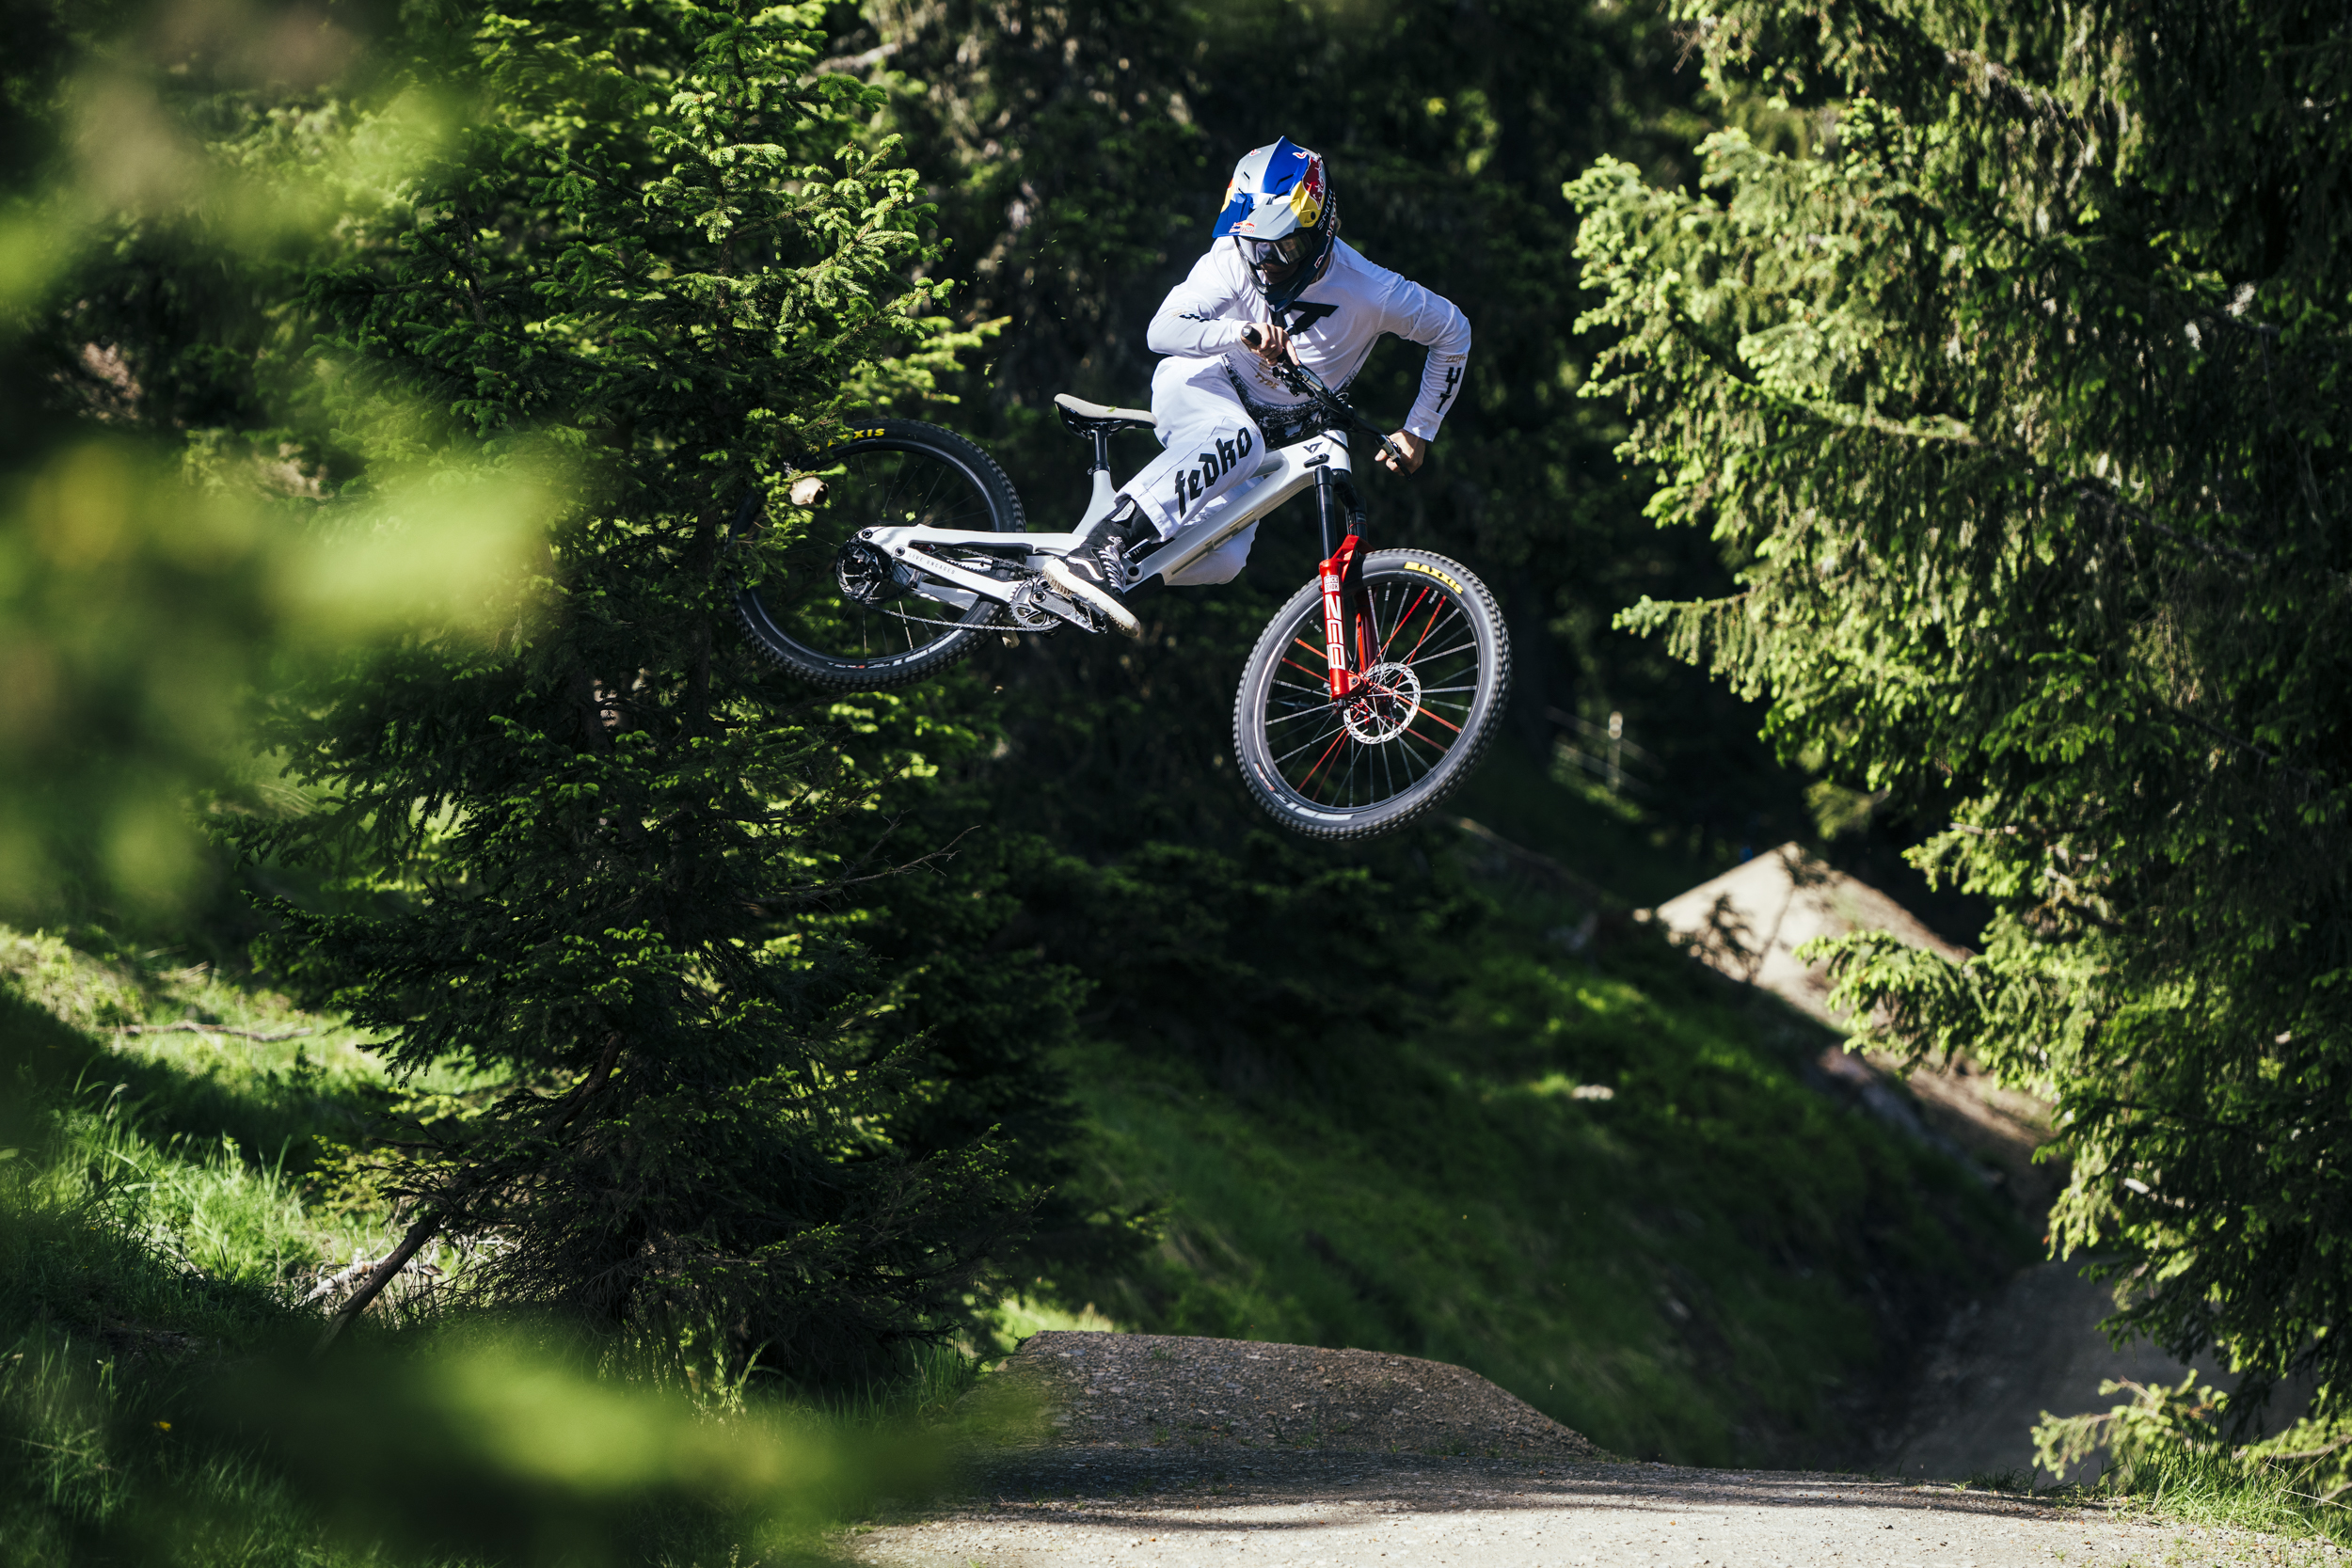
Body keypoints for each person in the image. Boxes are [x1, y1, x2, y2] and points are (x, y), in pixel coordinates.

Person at [1060, 135, 1471, 594]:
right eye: (1256, 246)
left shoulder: (1373, 291)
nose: (1266, 264)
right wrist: (1240, 333)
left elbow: (1453, 331)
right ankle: (1103, 546)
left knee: (1225, 558)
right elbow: (1162, 331)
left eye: (1284, 247)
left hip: (1256, 443)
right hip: (1202, 385)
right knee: (1238, 437)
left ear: (1323, 229)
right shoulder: (1231, 259)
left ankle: (1080, 582)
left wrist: (1419, 429)